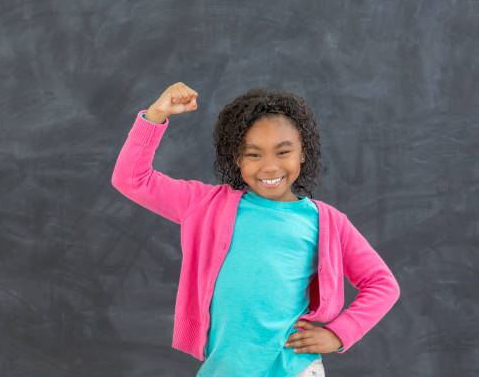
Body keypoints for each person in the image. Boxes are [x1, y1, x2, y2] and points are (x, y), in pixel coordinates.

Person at [111, 82, 401, 376]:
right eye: (254, 154)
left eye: (283, 151)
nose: (270, 167)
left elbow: (382, 283)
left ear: (303, 152)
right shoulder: (206, 205)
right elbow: (132, 180)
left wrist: (340, 333)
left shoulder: (327, 222)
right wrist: (157, 114)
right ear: (237, 159)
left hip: (295, 369)